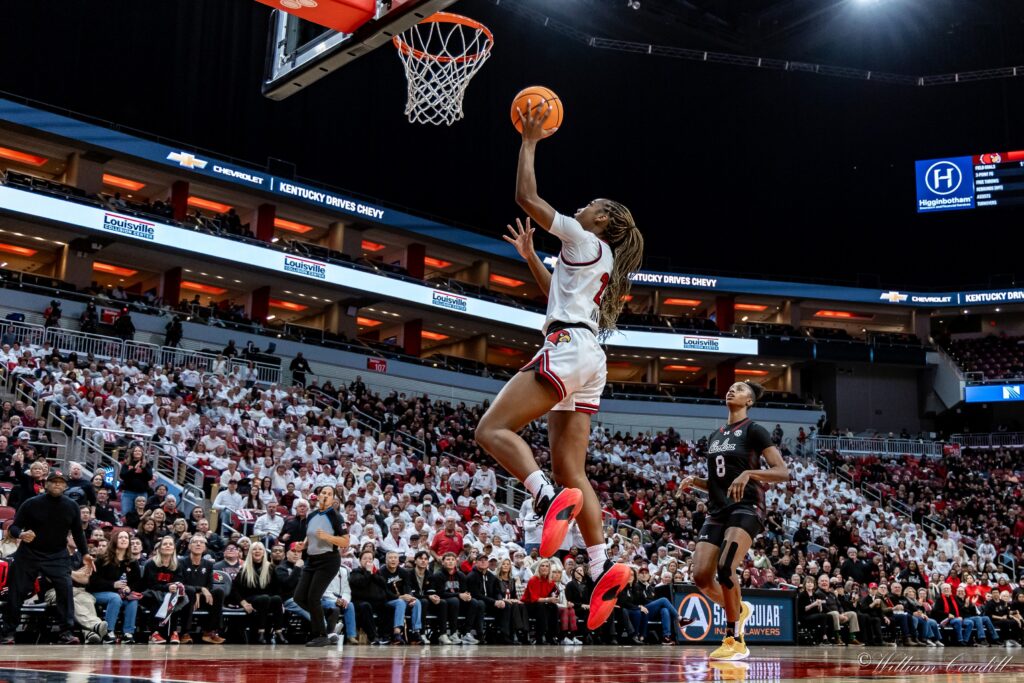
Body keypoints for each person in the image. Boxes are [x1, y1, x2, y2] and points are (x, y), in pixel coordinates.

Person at [475, 99, 645, 632]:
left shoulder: (584, 237)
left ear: (604, 221)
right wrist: (531, 258)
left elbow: (526, 197)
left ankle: (543, 497)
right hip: (589, 355)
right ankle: (599, 566)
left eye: (593, 205)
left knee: (491, 430)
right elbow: (558, 296)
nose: (584, 206)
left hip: (568, 347)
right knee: (574, 470)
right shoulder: (601, 257)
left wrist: (529, 141)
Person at [680, 380, 789, 661]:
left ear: (749, 401)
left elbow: (782, 472)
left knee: (726, 566)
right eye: (730, 388)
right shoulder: (715, 435)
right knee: (701, 576)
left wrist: (750, 474)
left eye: (740, 389)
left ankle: (734, 638)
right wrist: (696, 481)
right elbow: (718, 482)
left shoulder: (754, 430)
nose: (732, 390)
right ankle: (739, 609)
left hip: (747, 506)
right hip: (719, 509)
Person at [2, 470, 89, 645]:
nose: (57, 484)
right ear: (46, 484)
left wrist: (85, 553)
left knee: (65, 589)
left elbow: (78, 533)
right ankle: (8, 632)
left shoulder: (72, 506)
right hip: (29, 554)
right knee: (16, 591)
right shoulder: (31, 503)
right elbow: (14, 527)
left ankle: (66, 632)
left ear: (65, 486)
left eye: (61, 482)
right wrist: (21, 534)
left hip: (57, 555)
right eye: (54, 481)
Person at [293, 486, 350, 647]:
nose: (326, 496)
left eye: (329, 494)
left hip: (328, 561)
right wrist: (303, 545)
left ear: (333, 499)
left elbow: (345, 541)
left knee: (313, 597)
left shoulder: (336, 516)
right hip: (312, 560)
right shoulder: (311, 515)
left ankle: (321, 635)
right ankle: (327, 615)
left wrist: (327, 537)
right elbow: (310, 537)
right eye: (323, 493)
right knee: (299, 597)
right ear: (318, 496)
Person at [88, 529, 142, 644]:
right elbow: (93, 581)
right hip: (99, 592)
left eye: (126, 538)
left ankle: (128, 633)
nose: (124, 539)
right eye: (121, 537)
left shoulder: (132, 561)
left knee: (133, 600)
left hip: (122, 594)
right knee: (115, 598)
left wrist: (130, 588)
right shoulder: (102, 559)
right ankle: (108, 632)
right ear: (114, 540)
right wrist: (113, 584)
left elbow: (137, 581)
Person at [138, 536, 191, 644]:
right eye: (165, 544)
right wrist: (167, 587)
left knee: (175, 599)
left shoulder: (178, 565)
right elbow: (151, 585)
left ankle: (173, 632)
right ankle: (154, 633)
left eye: (170, 544)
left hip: (170, 594)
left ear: (174, 548)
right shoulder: (151, 563)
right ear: (160, 548)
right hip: (151, 593)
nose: (168, 546)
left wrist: (175, 587)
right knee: (158, 599)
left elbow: (179, 581)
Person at [232, 541, 284, 644]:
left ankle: (279, 632)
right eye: (254, 549)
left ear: (264, 552)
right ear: (250, 552)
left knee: (277, 599)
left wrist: (281, 604)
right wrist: (243, 603)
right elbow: (235, 589)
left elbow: (277, 588)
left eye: (260, 549)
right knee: (264, 598)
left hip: (267, 599)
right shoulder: (244, 569)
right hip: (250, 599)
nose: (257, 551)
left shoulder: (270, 567)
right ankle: (260, 633)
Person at [179, 535, 226, 644]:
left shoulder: (209, 564)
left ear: (205, 547)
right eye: (195, 542)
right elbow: (180, 584)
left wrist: (199, 593)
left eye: (201, 542)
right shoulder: (181, 562)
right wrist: (197, 590)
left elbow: (209, 585)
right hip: (185, 598)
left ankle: (209, 632)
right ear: (189, 546)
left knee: (219, 592)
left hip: (202, 598)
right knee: (190, 592)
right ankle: (185, 633)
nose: (198, 544)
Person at [431, 551, 481, 644]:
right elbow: (439, 593)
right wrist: (458, 595)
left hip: (457, 602)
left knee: (474, 602)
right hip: (443, 602)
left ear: (456, 562)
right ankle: (453, 633)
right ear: (443, 562)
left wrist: (467, 595)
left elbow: (464, 590)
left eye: (452, 560)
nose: (450, 561)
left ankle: (466, 633)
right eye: (448, 559)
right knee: (454, 600)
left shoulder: (460, 575)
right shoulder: (438, 575)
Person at [378, 550, 423, 645]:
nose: (393, 560)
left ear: (398, 561)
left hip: (401, 598)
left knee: (417, 602)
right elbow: (384, 591)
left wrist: (409, 597)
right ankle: (397, 633)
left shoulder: (403, 572)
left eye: (395, 558)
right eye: (390, 558)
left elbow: (407, 586)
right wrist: (399, 597)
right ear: (386, 560)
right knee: (400, 602)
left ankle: (416, 631)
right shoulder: (381, 572)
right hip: (386, 600)